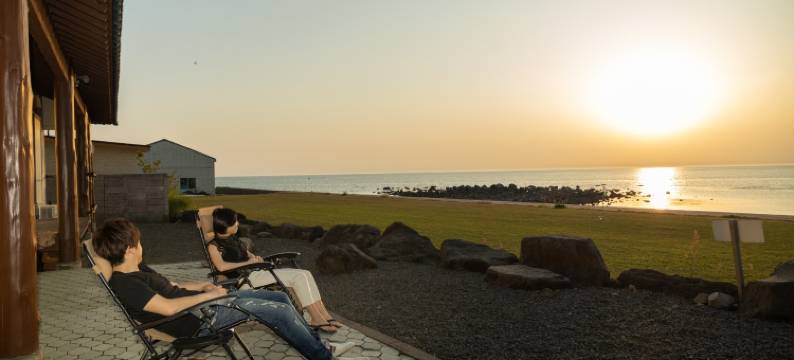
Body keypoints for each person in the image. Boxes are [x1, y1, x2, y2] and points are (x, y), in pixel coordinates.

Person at [94, 218, 362, 360]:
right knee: (277, 312)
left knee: (279, 296)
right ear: (130, 249)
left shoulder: (139, 270)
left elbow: (173, 288)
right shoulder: (124, 283)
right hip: (199, 319)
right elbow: (168, 307)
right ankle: (323, 356)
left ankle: (320, 347)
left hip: (203, 305)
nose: (142, 246)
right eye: (139, 243)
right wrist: (208, 295)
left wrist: (199, 285)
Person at [208, 208, 341, 333]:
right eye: (235, 221)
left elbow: (248, 255)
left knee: (306, 273)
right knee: (299, 277)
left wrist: (254, 258)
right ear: (225, 225)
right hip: (245, 280)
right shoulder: (214, 246)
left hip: (255, 273)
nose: (238, 223)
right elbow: (221, 267)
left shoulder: (234, 239)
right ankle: (316, 319)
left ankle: (325, 316)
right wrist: (249, 262)